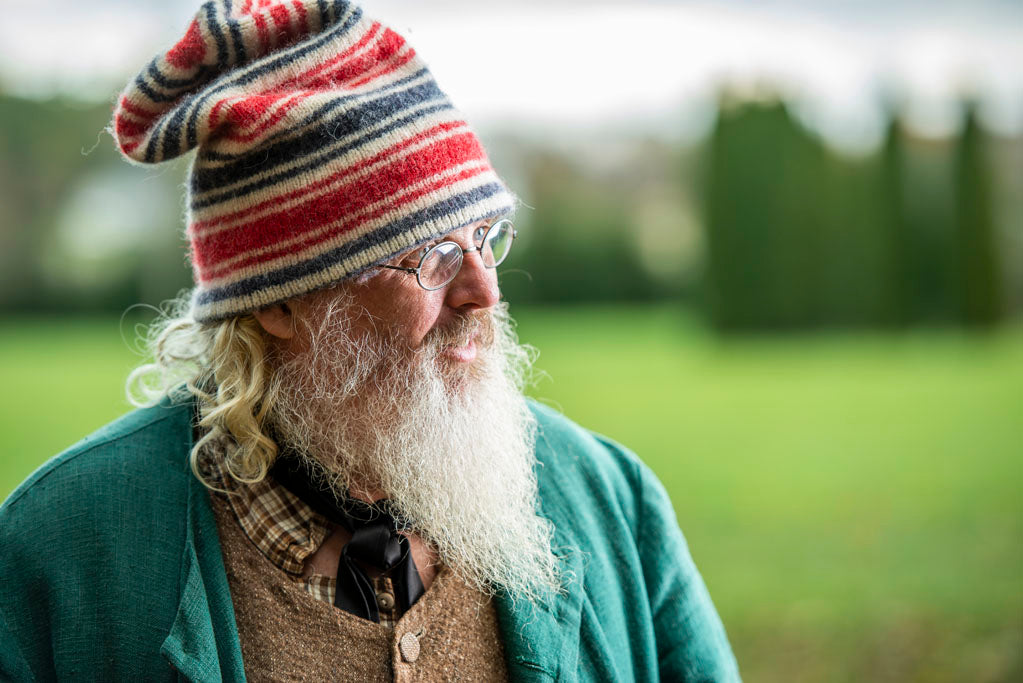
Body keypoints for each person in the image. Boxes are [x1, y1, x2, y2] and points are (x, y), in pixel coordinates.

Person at [0, 1, 740, 680]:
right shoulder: (59, 549)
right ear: (280, 303)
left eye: (485, 239)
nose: (484, 294)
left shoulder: (615, 503)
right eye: (431, 257)